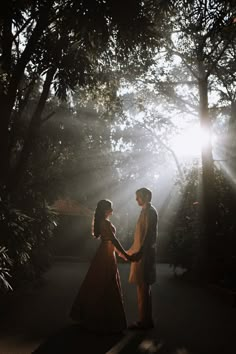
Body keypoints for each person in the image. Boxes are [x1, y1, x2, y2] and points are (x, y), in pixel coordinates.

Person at [70, 199, 131, 334]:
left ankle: (93, 317)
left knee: (97, 283)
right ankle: (107, 320)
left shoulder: (101, 222)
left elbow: (110, 241)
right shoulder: (106, 223)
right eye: (110, 208)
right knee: (107, 283)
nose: (112, 211)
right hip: (106, 255)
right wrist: (126, 254)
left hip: (104, 252)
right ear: (105, 210)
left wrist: (121, 254)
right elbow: (113, 240)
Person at [128, 188, 158, 330]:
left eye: (138, 197)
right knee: (143, 287)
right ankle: (146, 319)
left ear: (146, 196)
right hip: (142, 253)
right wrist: (131, 251)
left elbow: (148, 235)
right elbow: (140, 236)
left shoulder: (150, 212)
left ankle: (145, 321)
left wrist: (139, 252)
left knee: (144, 287)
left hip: (145, 254)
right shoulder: (145, 211)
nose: (136, 200)